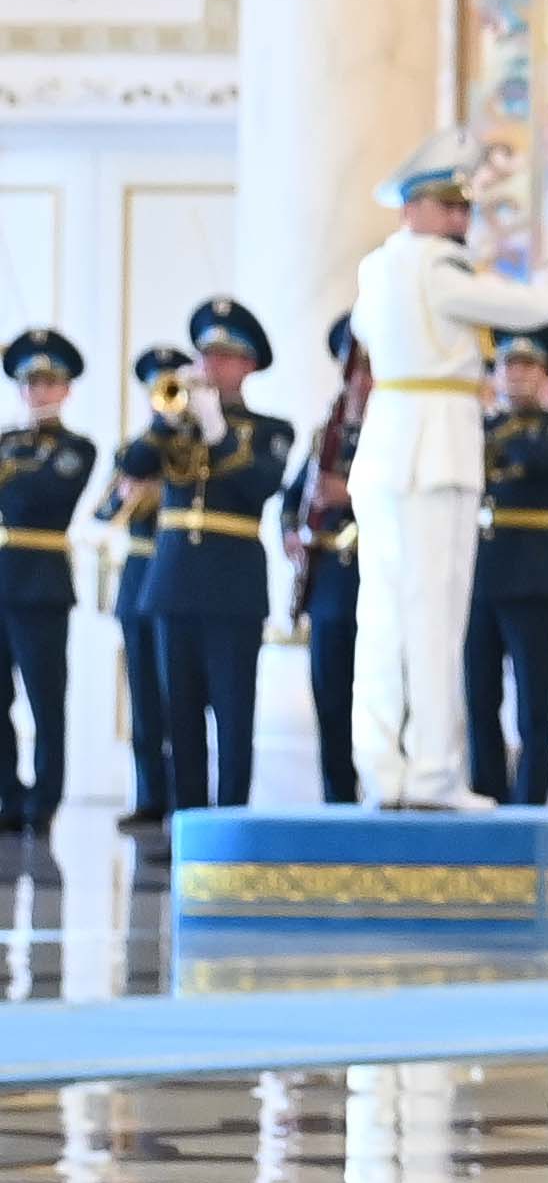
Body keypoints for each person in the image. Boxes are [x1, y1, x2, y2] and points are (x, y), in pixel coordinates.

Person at [346, 130, 548, 808]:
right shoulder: (438, 268)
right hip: (435, 448)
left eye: (462, 208)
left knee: (382, 616)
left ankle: (382, 769)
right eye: (445, 206)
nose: (457, 220)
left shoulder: (376, 270)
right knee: (435, 617)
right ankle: (434, 773)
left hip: (387, 446)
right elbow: (529, 310)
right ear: (411, 208)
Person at [140, 300, 298, 819]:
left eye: (225, 357)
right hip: (173, 583)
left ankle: (231, 823)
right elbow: (133, 463)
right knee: (179, 718)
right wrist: (163, 420)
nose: (212, 365)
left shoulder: (271, 430)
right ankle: (186, 823)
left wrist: (217, 430)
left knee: (233, 716)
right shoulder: (176, 424)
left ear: (248, 365)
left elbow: (260, 484)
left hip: (232, 587)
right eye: (207, 354)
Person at [463, 331, 548, 806]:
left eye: (528, 366)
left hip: (532, 573)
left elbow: (545, 459)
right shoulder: (480, 426)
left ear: (545, 375)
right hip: (481, 572)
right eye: (508, 365)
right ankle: (486, 791)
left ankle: (531, 799)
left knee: (534, 700)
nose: (516, 375)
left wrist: (499, 433)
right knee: (480, 696)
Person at [0, 332, 90, 831]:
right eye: (31, 383)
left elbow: (41, 495)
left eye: (48, 383)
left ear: (66, 389)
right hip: (3, 580)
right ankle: (8, 795)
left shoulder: (76, 448)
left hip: (41, 587)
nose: (38, 392)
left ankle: (45, 798)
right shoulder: (7, 443)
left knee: (44, 698)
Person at [99, 346, 186, 833]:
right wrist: (130, 494)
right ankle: (149, 794)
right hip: (137, 577)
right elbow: (104, 512)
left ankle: (179, 795)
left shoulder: (188, 445)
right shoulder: (137, 449)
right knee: (143, 695)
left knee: (178, 694)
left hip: (174, 575)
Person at [291, 318, 365, 803]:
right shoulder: (329, 435)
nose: (360, 381)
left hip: (377, 580)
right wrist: (290, 532)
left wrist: (350, 493)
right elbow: (294, 500)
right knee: (331, 697)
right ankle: (338, 798)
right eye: (352, 370)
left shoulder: (398, 430)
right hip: (330, 587)